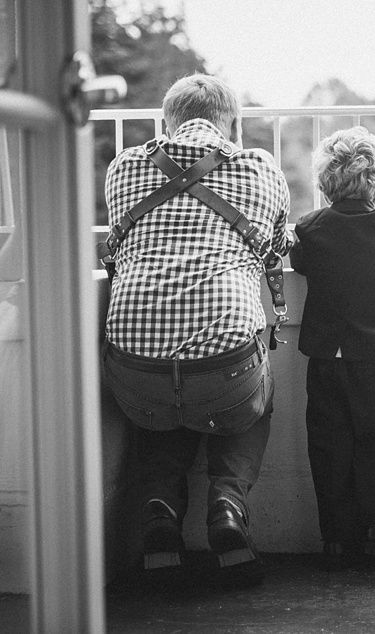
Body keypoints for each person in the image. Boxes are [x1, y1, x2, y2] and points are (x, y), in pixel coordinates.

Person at [101, 74, 292, 584]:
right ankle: (227, 507)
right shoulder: (259, 167)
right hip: (226, 377)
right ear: (234, 124)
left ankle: (159, 516)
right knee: (254, 387)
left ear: (168, 121)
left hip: (134, 376)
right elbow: (275, 247)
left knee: (162, 405)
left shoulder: (124, 167)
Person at [291, 126, 375, 569]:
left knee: (327, 444)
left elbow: (300, 263)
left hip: (327, 356)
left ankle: (333, 535)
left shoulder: (309, 228)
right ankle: (372, 528)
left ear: (326, 180)